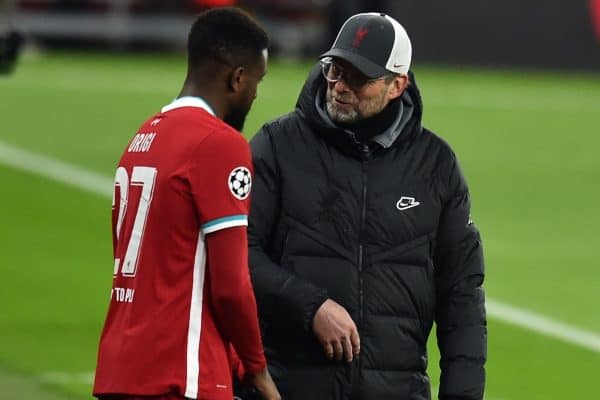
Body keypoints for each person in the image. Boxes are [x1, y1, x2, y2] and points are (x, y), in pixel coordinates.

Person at [247, 12, 486, 400]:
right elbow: (237, 253)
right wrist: (311, 307)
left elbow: (462, 295)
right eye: (334, 70)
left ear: (397, 85)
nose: (340, 86)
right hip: (290, 388)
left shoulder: (436, 166)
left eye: (358, 77)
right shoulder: (277, 146)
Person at [93, 8, 280, 400]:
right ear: (238, 78)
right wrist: (258, 370)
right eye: (257, 82)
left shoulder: (143, 138)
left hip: (120, 369)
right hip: (181, 373)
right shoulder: (219, 144)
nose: (255, 95)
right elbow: (231, 285)